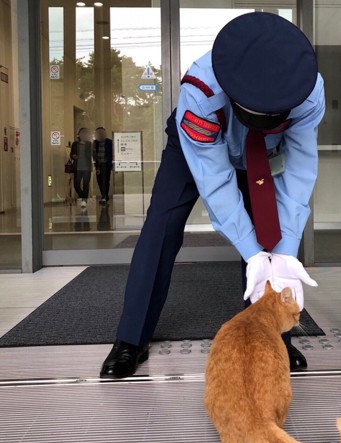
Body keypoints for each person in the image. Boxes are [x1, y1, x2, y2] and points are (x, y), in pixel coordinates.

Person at [100, 12, 326, 379]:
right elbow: (216, 182)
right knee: (162, 226)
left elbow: (300, 173)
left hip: (259, 154)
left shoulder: (306, 90)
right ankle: (131, 338)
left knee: (273, 232)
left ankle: (275, 337)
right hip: (196, 147)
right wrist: (252, 252)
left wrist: (282, 249)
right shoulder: (200, 91)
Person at [70, 128, 93, 209]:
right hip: (77, 167)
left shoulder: (90, 144)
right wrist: (74, 156)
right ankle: (83, 196)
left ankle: (84, 201)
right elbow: (71, 154)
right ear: (79, 135)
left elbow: (93, 155)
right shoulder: (75, 144)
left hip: (87, 167)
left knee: (86, 184)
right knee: (76, 184)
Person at [93, 127, 113, 205]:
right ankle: (104, 195)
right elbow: (94, 154)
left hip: (106, 163)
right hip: (98, 164)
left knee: (105, 180)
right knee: (99, 180)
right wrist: (96, 166)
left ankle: (104, 196)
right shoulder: (95, 143)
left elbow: (112, 153)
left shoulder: (109, 142)